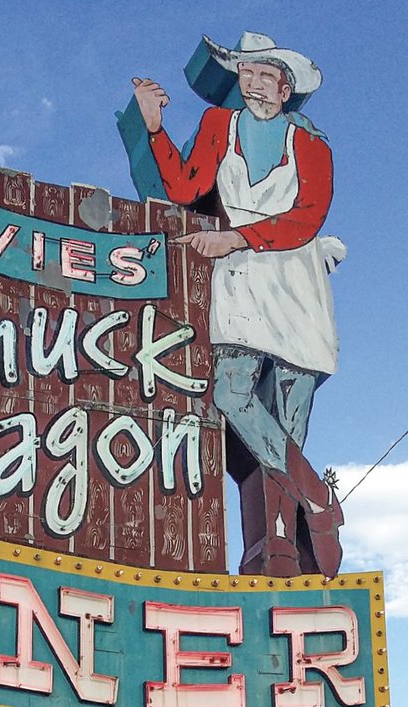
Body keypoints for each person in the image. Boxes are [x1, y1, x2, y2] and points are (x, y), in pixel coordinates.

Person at [133, 33, 343, 577]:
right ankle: (319, 499)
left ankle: (286, 550)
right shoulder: (217, 125)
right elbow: (184, 187)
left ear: (286, 87)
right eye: (247, 74)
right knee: (230, 392)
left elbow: (308, 216)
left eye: (266, 75)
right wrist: (154, 127)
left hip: (295, 281)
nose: (255, 85)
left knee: (289, 421)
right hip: (240, 283)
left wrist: (235, 237)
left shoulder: (310, 143)